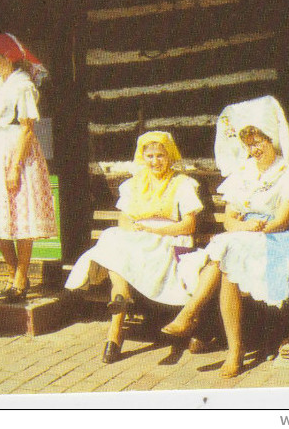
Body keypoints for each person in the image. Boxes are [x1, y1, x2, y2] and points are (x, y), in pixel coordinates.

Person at [161, 95, 289, 378]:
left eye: (259, 142)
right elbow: (229, 219)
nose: (254, 148)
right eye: (249, 144)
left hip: (275, 241)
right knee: (229, 265)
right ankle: (231, 349)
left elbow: (281, 220)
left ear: (272, 140)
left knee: (227, 255)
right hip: (241, 240)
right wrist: (241, 228)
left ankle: (197, 320)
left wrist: (251, 228)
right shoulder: (244, 173)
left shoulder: (288, 173)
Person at [65, 131, 205, 363]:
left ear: (169, 156)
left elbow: (188, 226)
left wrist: (153, 230)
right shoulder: (134, 184)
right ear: (142, 157)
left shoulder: (182, 183)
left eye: (160, 155)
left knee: (114, 247)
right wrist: (137, 233)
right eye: (149, 156)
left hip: (168, 239)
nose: (154, 161)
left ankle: (115, 331)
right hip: (140, 239)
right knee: (113, 238)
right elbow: (125, 220)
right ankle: (122, 297)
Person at [0, 33, 57, 303]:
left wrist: (15, 167)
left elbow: (28, 129)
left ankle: (21, 276)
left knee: (22, 215)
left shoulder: (23, 85)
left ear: (8, 58)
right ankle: (11, 272)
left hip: (18, 150)